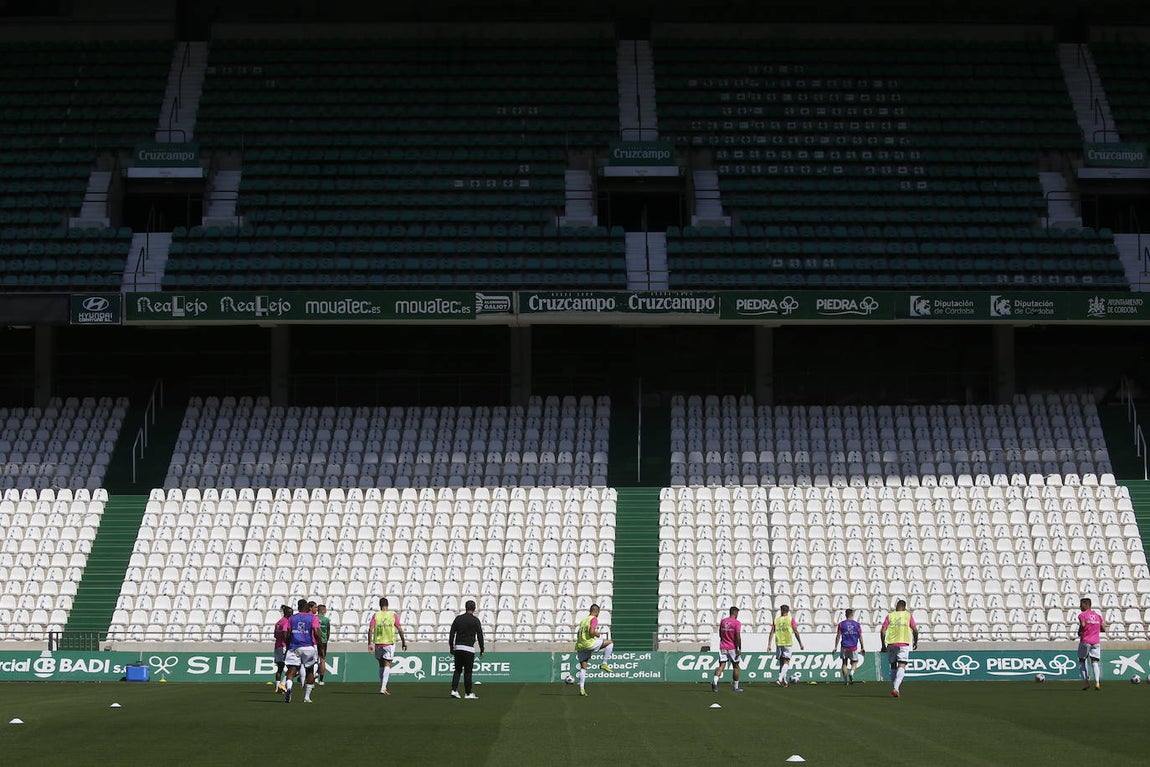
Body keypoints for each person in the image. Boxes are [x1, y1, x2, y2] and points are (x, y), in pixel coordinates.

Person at [283, 598, 322, 704]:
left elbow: (286, 633)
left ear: (298, 607)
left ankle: (289, 689)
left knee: (291, 671)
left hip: (294, 647)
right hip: (308, 647)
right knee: (310, 671)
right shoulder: (312, 617)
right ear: (306, 607)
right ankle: (307, 697)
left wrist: (288, 645)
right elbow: (316, 631)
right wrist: (320, 645)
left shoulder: (292, 618)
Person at [368, 597, 408, 696]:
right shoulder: (392, 615)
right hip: (389, 643)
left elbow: (370, 629)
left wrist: (369, 643)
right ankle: (383, 688)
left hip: (378, 643)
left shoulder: (376, 615)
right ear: (387, 605)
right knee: (387, 664)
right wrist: (403, 642)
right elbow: (400, 629)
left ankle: (383, 687)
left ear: (380, 605)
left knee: (381, 664)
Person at [880, 599, 919, 698]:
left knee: (893, 665)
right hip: (903, 643)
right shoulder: (907, 615)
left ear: (896, 606)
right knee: (902, 665)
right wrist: (915, 641)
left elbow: (883, 630)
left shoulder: (890, 616)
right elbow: (915, 630)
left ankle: (895, 687)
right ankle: (896, 688)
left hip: (891, 643)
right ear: (904, 607)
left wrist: (883, 644)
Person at [448, 599, 486, 700]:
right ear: (474, 609)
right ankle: (468, 693)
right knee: (468, 672)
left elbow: (452, 633)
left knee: (457, 670)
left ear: (465, 607)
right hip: (469, 649)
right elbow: (480, 636)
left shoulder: (458, 619)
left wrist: (451, 646)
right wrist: (482, 649)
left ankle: (454, 690)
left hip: (458, 647)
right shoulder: (475, 620)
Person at [573, 603, 614, 696]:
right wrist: (597, 633)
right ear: (597, 611)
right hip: (588, 644)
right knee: (610, 643)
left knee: (583, 667)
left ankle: (582, 689)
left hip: (580, 645)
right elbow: (592, 632)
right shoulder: (594, 619)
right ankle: (604, 663)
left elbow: (580, 632)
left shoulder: (584, 620)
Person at [767, 604, 804, 686]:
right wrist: (800, 643)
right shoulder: (790, 619)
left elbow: (771, 632)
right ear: (788, 611)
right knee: (786, 661)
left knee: (781, 662)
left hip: (779, 643)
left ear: (781, 610)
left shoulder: (776, 620)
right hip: (787, 642)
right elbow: (796, 631)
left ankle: (784, 681)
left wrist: (769, 645)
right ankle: (780, 679)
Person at [712, 606, 744, 693]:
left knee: (722, 665)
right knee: (736, 666)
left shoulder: (723, 621)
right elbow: (738, 636)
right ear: (736, 613)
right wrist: (739, 647)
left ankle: (715, 681)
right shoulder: (737, 623)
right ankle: (735, 687)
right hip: (732, 647)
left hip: (723, 646)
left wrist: (724, 640)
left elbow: (720, 634)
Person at [1076, 596, 1106, 691]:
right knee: (1095, 662)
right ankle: (1097, 682)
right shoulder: (1098, 616)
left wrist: (1079, 631)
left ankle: (1086, 683)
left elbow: (1083, 625)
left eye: (1081, 605)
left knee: (1082, 661)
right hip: (1096, 641)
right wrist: (1095, 629)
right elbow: (1104, 628)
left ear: (1085, 605)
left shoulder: (1082, 615)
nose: (1080, 607)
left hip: (1085, 641)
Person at [834, 608, 865, 685]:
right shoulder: (857, 624)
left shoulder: (841, 624)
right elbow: (860, 636)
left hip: (844, 646)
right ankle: (851, 672)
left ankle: (845, 681)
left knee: (844, 663)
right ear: (852, 615)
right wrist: (862, 647)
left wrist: (835, 646)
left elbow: (838, 636)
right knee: (854, 662)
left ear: (845, 615)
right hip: (853, 646)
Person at [273, 604, 292, 693]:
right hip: (284, 646)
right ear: (288, 613)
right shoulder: (286, 622)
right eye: (291, 613)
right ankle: (282, 685)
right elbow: (285, 633)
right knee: (291, 667)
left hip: (277, 646)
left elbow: (275, 635)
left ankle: (277, 687)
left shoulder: (278, 622)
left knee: (280, 668)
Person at [316, 604, 331, 685]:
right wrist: (326, 639)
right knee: (322, 660)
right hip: (323, 641)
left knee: (313, 660)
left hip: (315, 641)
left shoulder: (314, 618)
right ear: (323, 610)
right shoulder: (326, 620)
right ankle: (321, 680)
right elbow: (328, 631)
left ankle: (313, 677)